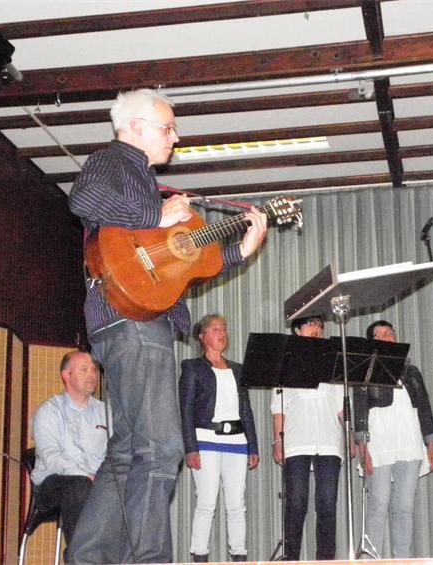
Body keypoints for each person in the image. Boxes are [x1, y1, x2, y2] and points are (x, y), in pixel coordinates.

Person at [67, 88, 267, 564]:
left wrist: (242, 250)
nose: (175, 137)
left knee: (127, 452)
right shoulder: (113, 162)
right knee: (160, 449)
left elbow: (188, 263)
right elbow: (83, 199)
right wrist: (154, 215)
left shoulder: (148, 184)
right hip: (133, 321)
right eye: (168, 127)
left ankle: (88, 557)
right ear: (136, 126)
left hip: (129, 322)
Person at [353, 320, 433, 558]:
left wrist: (431, 443)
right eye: (379, 335)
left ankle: (402, 559)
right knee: (378, 504)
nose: (385, 337)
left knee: (405, 507)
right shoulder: (365, 371)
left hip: (409, 441)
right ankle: (372, 559)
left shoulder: (412, 371)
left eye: (389, 333)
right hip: (379, 442)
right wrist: (363, 446)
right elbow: (359, 410)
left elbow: (424, 408)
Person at [179, 314, 259, 562]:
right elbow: (186, 409)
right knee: (206, 502)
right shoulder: (192, 367)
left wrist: (253, 446)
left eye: (223, 328)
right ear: (202, 337)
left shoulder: (238, 369)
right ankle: (200, 554)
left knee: (237, 504)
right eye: (214, 329)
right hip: (206, 440)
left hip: (237, 441)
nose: (221, 333)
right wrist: (191, 448)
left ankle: (239, 554)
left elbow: (245, 410)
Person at [270, 315, 345, 561]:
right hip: (296, 440)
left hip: (329, 440)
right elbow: (279, 408)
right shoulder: (286, 361)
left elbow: (341, 407)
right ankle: (291, 558)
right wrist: (278, 441)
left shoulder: (332, 360)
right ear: (297, 330)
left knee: (327, 503)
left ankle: (326, 559)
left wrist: (352, 435)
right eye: (311, 324)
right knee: (296, 501)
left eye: (320, 326)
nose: (317, 329)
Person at [31, 351, 108, 560]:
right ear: (66, 375)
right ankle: (80, 559)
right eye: (84, 370)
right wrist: (86, 475)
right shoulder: (49, 411)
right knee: (80, 486)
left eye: (94, 370)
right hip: (54, 483)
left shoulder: (106, 412)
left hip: (95, 482)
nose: (92, 375)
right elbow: (51, 457)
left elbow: (115, 453)